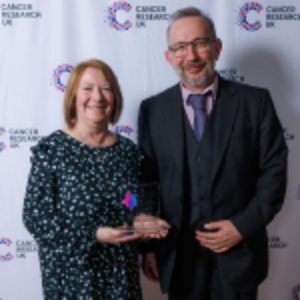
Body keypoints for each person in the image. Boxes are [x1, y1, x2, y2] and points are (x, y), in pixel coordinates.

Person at [138, 7, 288, 300]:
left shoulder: (255, 103)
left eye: (200, 43)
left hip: (239, 255)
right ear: (169, 58)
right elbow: (145, 185)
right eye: (180, 47)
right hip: (179, 258)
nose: (191, 56)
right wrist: (148, 247)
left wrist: (241, 227)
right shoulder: (152, 110)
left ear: (217, 47)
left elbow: (274, 173)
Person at [23, 59, 165, 300]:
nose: (97, 97)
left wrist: (140, 219)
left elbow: (130, 201)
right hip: (72, 279)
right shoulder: (52, 149)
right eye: (87, 88)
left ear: (115, 97)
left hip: (121, 275)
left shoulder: (128, 152)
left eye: (106, 88)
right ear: (73, 96)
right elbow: (36, 218)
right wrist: (94, 235)